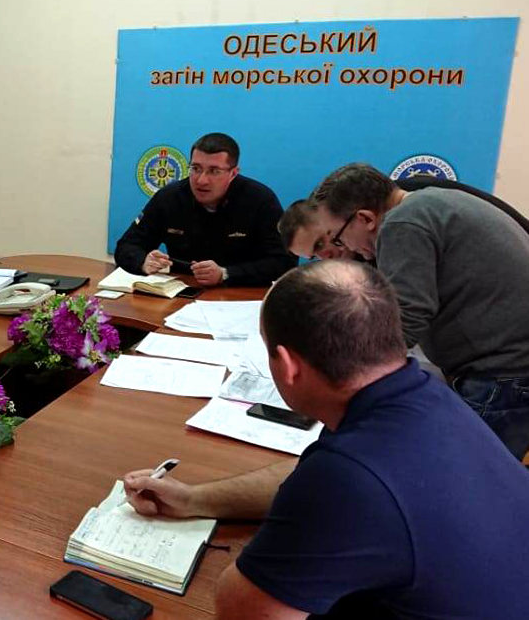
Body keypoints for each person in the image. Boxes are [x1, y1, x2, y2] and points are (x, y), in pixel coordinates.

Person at [123, 260, 529, 620]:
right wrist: (195, 500)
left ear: (287, 365)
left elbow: (241, 611)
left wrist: (281, 545)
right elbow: (311, 474)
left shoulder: (347, 478)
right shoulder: (428, 397)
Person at [312, 163, 529, 458]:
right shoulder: (432, 201)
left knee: (460, 472)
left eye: (338, 237)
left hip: (502, 376)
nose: (343, 247)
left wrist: (342, 370)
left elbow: (405, 319)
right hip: (510, 367)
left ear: (365, 218)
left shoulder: (403, 223)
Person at [114, 133, 295, 286]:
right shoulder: (169, 198)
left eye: (214, 171)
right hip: (181, 290)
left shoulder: (260, 200)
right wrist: (143, 262)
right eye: (196, 168)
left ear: (233, 173)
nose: (201, 180)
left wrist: (226, 273)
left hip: (239, 294)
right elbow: (126, 246)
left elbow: (284, 261)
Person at [279, 175, 529, 260]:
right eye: (315, 256)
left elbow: (406, 319)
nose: (327, 256)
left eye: (323, 242)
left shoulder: (406, 216)